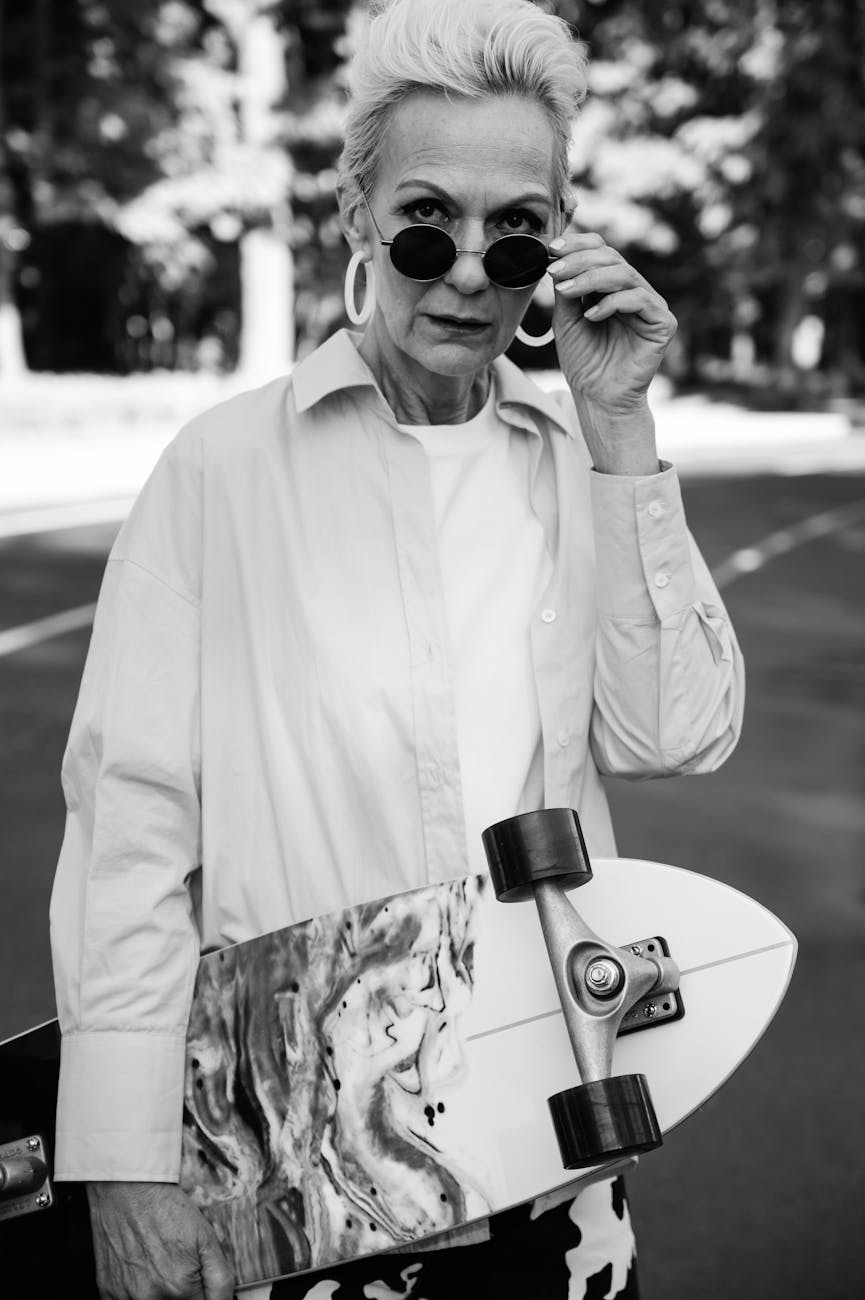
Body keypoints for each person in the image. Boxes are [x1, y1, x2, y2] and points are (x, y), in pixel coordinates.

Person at [49, 1, 745, 1297]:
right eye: (426, 221)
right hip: (300, 1156)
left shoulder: (579, 462)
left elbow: (678, 731)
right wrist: (124, 1165)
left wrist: (621, 426)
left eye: (515, 230)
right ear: (357, 216)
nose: (470, 269)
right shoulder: (222, 470)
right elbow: (128, 836)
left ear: (556, 235)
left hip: (551, 1152)